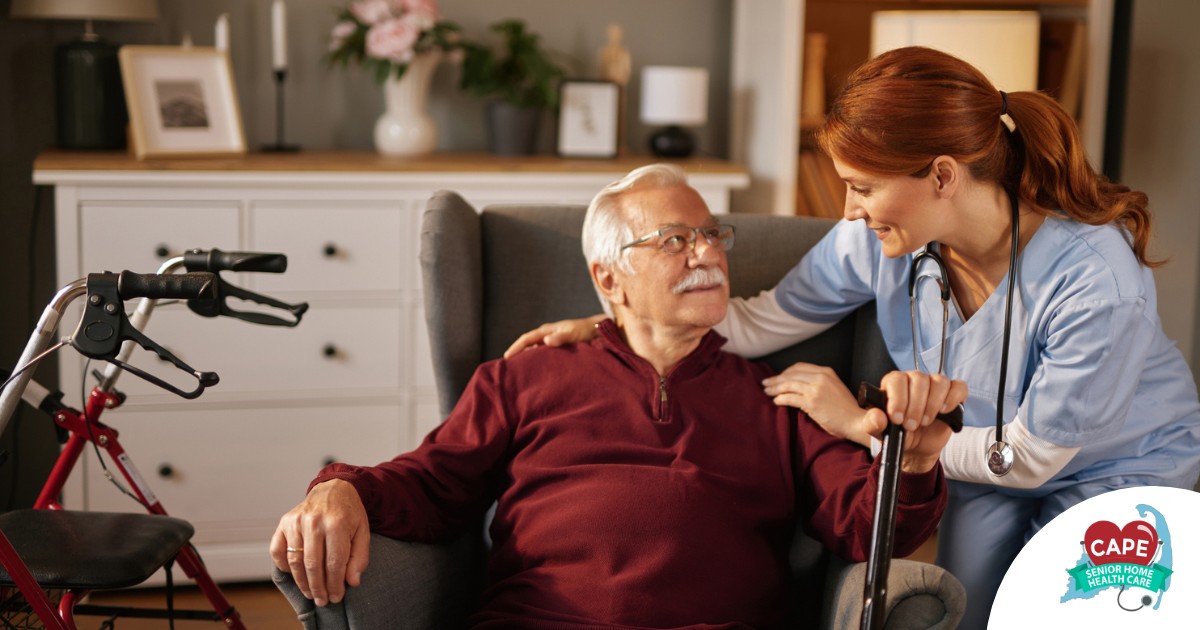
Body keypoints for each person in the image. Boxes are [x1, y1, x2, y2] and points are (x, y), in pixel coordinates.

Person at [504, 47, 1200, 628]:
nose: (848, 209)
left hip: (1115, 464)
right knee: (963, 612)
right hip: (976, 460)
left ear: (942, 176)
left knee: (1068, 612)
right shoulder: (876, 241)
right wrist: (619, 326)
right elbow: (757, 320)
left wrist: (862, 426)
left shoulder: (1094, 280)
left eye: (862, 186)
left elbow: (1032, 458)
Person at [271, 163, 956, 629]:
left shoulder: (779, 397)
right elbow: (432, 483)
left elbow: (868, 526)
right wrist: (340, 488)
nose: (707, 255)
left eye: (712, 235)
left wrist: (917, 459)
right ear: (611, 278)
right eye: (674, 241)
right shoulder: (523, 377)